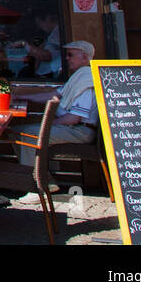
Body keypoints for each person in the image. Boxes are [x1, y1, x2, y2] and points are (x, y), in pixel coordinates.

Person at [15, 41, 99, 191]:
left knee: (28, 135)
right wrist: (26, 98)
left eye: (70, 55)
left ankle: (35, 187)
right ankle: (45, 178)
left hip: (80, 130)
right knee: (17, 132)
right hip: (73, 128)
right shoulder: (78, 77)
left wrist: (47, 124)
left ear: (85, 58)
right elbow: (53, 94)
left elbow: (73, 118)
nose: (66, 58)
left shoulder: (87, 81)